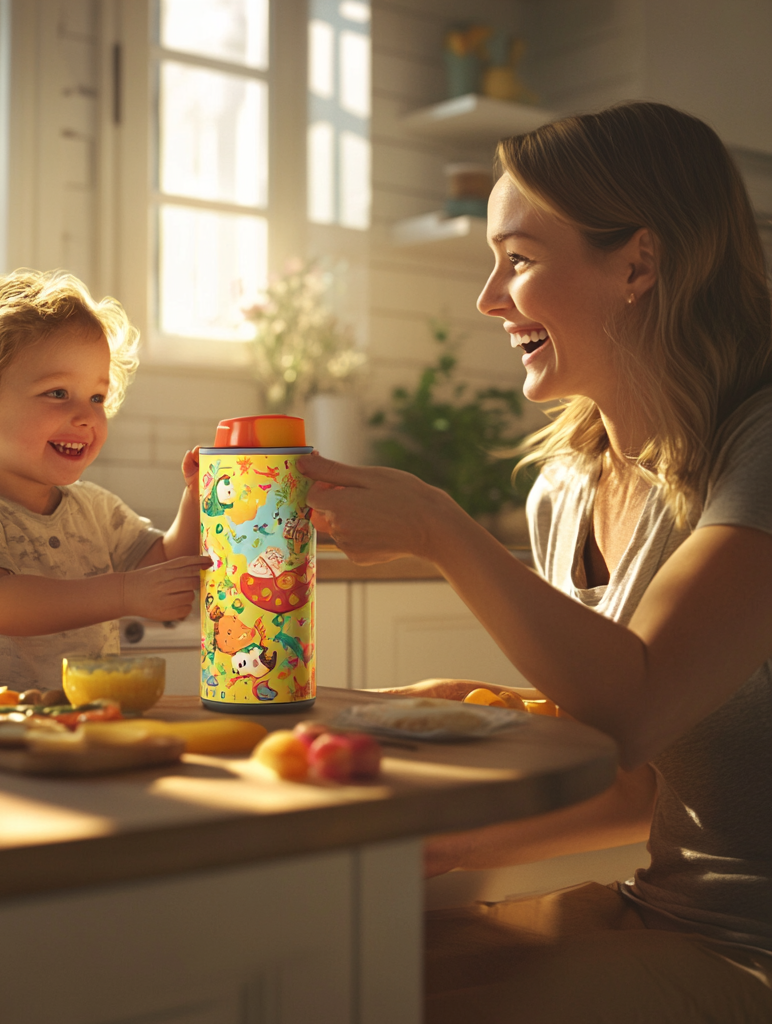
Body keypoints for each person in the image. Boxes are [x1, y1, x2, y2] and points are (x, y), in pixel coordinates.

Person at [300, 102, 772, 1021]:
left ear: (637, 264)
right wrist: (445, 842)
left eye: (516, 259)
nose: (487, 297)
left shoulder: (761, 448)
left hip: (753, 958)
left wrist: (441, 529)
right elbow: (628, 780)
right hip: (654, 914)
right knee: (329, 966)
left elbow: (634, 706)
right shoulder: (564, 486)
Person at [0, 270, 209, 690]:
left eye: (97, 397)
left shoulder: (97, 509)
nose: (86, 416)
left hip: (86, 724)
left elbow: (164, 564)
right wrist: (123, 593)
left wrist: (199, 498)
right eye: (57, 393)